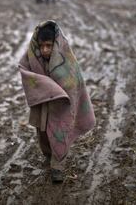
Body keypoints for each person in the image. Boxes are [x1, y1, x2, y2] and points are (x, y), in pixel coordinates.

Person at [19, 20, 95, 183]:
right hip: (43, 103)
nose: (45, 50)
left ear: (56, 44)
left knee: (60, 133)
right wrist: (45, 87)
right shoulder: (32, 57)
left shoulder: (66, 59)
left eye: (49, 45)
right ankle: (48, 155)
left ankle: (57, 165)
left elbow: (74, 82)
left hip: (62, 105)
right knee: (43, 132)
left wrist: (62, 93)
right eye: (41, 46)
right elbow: (25, 72)